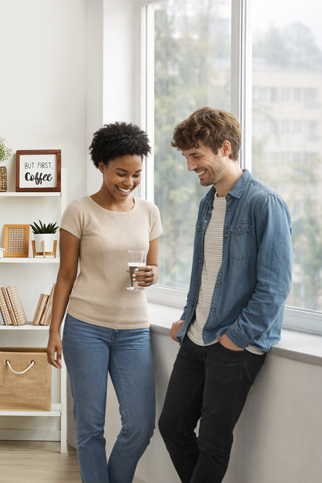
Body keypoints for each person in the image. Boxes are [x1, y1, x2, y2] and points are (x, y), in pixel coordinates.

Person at [158, 107, 292, 483]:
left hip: (233, 344)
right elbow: (205, 269)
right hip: (197, 334)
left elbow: (275, 286)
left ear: (225, 148)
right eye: (186, 157)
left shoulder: (263, 204)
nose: (189, 167)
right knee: (171, 425)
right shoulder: (209, 202)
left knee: (214, 442)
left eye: (196, 156)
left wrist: (236, 338)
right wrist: (189, 315)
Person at [47, 122, 163, 483]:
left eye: (136, 174)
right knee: (90, 426)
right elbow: (66, 275)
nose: (128, 182)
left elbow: (153, 266)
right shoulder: (79, 212)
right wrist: (54, 331)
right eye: (121, 173)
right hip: (85, 329)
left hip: (133, 331)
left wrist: (154, 275)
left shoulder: (149, 212)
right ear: (101, 166)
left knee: (141, 426)